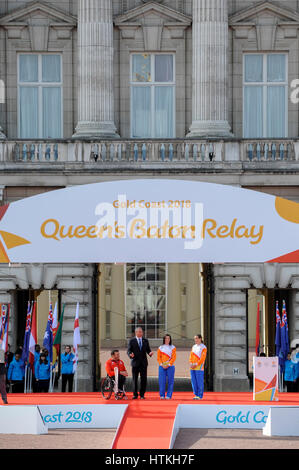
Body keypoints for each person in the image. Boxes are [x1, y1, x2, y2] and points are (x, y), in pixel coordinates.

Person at [127, 327, 153, 399]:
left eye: (141, 332)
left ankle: (142, 394)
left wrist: (150, 353)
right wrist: (130, 354)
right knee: (134, 379)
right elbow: (128, 350)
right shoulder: (132, 341)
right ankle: (135, 394)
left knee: (143, 379)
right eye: (139, 332)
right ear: (136, 333)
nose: (140, 333)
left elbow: (148, 350)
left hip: (144, 363)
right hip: (135, 363)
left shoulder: (145, 340)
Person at [157, 334, 176, 400]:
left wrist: (168, 364)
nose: (167, 340)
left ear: (170, 339)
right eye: (165, 338)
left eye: (168, 338)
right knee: (162, 381)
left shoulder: (173, 347)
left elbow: (173, 357)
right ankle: (162, 395)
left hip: (170, 367)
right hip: (162, 367)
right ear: (164, 339)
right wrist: (161, 364)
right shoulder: (160, 347)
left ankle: (169, 395)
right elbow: (158, 357)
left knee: (170, 381)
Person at [189, 334, 207, 400]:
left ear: (200, 339)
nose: (195, 340)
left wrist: (196, 364)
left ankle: (200, 395)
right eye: (195, 338)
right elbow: (191, 355)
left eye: (197, 338)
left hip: (199, 366)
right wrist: (191, 363)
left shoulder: (203, 347)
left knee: (199, 381)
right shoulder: (193, 346)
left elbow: (203, 358)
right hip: (192, 366)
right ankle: (196, 394)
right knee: (193, 381)